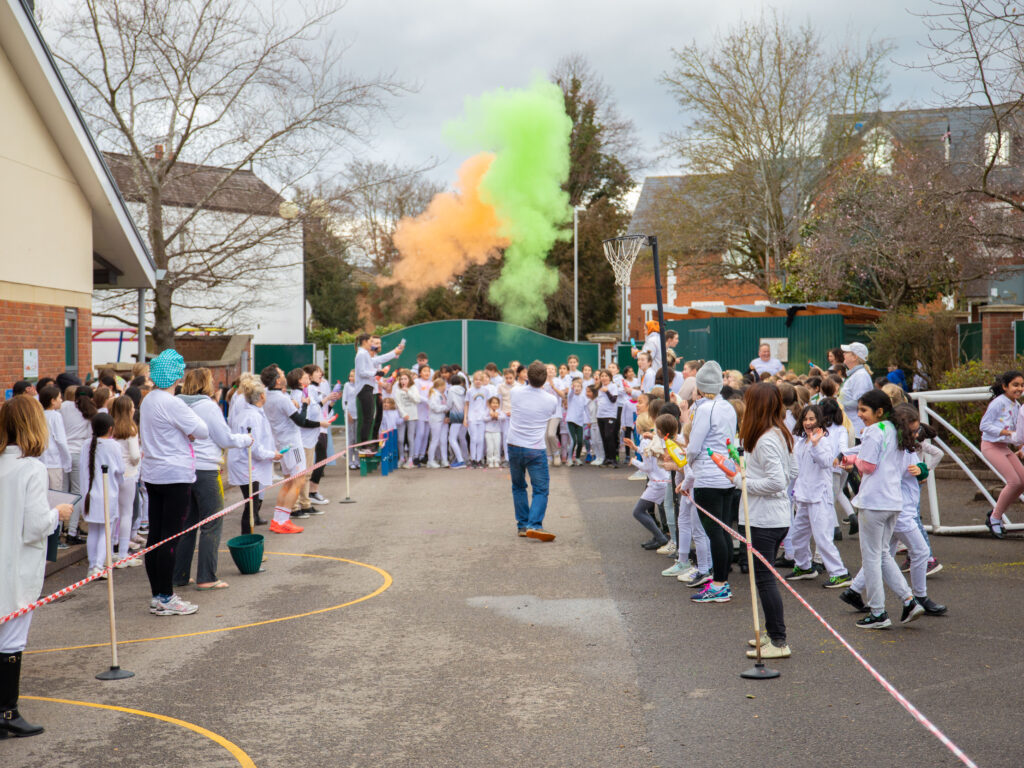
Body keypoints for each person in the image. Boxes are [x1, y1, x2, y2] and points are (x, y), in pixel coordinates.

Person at [0, 396, 74, 737]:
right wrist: (56, 515)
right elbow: (33, 525)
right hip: (15, 567)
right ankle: (7, 711)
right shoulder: (32, 469)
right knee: (12, 639)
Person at [839, 389, 924, 629]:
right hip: (893, 501)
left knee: (872, 557)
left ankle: (878, 612)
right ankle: (909, 601)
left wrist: (848, 460)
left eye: (864, 410)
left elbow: (867, 466)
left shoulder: (875, 431)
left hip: (873, 501)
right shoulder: (896, 429)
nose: (860, 415)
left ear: (878, 411)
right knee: (883, 554)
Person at [141, 350, 209, 616]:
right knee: (170, 538)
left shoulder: (148, 400)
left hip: (154, 473)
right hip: (175, 475)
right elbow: (202, 430)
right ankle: (166, 597)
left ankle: (158, 593)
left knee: (156, 536)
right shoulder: (173, 403)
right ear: (176, 375)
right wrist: (187, 432)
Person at [174, 368, 252, 590]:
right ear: (205, 384)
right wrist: (246, 439)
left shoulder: (177, 403)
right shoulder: (208, 406)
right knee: (212, 522)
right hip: (206, 469)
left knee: (187, 524)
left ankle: (179, 575)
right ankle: (207, 576)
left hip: (184, 469)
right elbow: (224, 438)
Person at [736, 383, 795, 659]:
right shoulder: (776, 433)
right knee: (764, 579)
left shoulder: (768, 438)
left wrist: (742, 481)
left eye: (748, 402)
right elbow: (791, 470)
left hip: (765, 519)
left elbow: (778, 480)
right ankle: (772, 633)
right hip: (771, 516)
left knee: (765, 580)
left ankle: (779, 640)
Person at [685, 361, 738, 604]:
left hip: (708, 475)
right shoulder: (728, 406)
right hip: (726, 473)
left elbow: (694, 446)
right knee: (724, 529)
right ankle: (722, 580)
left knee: (714, 531)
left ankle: (719, 584)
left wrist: (689, 463)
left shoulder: (705, 409)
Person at [786, 404, 852, 589]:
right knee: (798, 536)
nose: (808, 422)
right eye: (805, 419)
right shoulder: (800, 441)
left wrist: (815, 444)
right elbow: (796, 468)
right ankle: (804, 567)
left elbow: (826, 463)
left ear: (819, 421)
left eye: (812, 419)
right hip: (804, 496)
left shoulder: (823, 441)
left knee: (822, 538)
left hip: (820, 495)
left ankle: (840, 573)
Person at [260, 365, 327, 532]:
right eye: (282, 374)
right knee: (298, 480)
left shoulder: (268, 395)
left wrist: (294, 404)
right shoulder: (282, 399)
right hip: (292, 442)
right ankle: (283, 521)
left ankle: (278, 520)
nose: (284, 375)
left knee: (289, 481)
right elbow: (300, 421)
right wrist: (303, 404)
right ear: (277, 380)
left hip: (281, 441)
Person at [507, 361, 558, 541]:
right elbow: (551, 414)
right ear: (545, 379)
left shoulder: (515, 392)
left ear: (527, 376)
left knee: (518, 486)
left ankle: (522, 525)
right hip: (535, 448)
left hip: (514, 445)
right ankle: (534, 524)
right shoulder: (551, 400)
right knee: (541, 489)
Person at [227, 378, 279, 534]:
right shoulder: (253, 417)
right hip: (246, 464)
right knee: (251, 507)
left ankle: (248, 541)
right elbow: (255, 447)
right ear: (261, 396)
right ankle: (247, 544)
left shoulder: (250, 413)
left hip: (246, 462)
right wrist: (273, 455)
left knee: (252, 505)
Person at [979, 370, 1024, 539]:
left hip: (1004, 447)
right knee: (1013, 481)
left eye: (1021, 385)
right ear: (1005, 386)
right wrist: (1004, 431)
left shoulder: (1018, 405)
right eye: (1015, 385)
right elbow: (984, 425)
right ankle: (995, 518)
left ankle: (996, 512)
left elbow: (1019, 431)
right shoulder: (999, 402)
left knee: (1022, 481)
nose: (1019, 388)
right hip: (991, 445)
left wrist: (1020, 446)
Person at [79, 412, 123, 579]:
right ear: (111, 428)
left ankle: (92, 565)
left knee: (94, 531)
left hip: (89, 495)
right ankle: (98, 565)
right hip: (107, 494)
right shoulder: (113, 446)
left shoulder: (85, 444)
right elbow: (120, 470)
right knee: (106, 531)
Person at [623, 413, 671, 550]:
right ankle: (658, 536)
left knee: (638, 511)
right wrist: (636, 448)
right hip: (661, 479)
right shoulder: (653, 438)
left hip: (657, 482)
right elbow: (650, 457)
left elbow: (647, 467)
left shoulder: (645, 440)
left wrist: (634, 461)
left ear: (639, 426)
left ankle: (660, 537)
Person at [60, 385, 96, 545]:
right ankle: (72, 531)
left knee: (62, 492)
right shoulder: (90, 412)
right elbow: (90, 436)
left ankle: (59, 529)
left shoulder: (65, 406)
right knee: (76, 493)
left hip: (63, 454)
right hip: (78, 454)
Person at [110, 395, 142, 565]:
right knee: (126, 514)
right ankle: (123, 553)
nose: (134, 409)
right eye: (132, 407)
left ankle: (110, 552)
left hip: (113, 474)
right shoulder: (131, 428)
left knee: (114, 514)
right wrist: (137, 460)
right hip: (129, 473)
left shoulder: (111, 428)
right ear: (128, 410)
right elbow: (135, 455)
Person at [38, 386, 71, 493]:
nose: (61, 400)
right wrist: (67, 461)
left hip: (40, 460)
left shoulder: (38, 415)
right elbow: (61, 440)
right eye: (59, 398)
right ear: (52, 401)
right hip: (54, 461)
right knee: (55, 494)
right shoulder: (56, 416)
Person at [839, 342, 873, 436]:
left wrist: (838, 405)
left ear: (855, 357)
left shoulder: (860, 376)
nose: (843, 354)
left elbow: (861, 402)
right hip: (851, 427)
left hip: (857, 429)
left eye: (847, 352)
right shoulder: (856, 374)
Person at [565, 378, 587, 466]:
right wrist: (571, 389)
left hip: (580, 422)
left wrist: (588, 420)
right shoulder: (571, 396)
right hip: (570, 421)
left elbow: (586, 410)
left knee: (580, 441)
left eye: (579, 386)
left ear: (581, 388)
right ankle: (569, 459)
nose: (577, 388)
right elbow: (570, 394)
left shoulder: (583, 397)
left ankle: (577, 458)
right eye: (575, 386)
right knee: (573, 441)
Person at [484, 395, 505, 468]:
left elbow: (503, 417)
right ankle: (490, 461)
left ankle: (497, 460)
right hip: (488, 431)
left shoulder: (499, 411)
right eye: (493, 403)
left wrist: (497, 416)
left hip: (497, 432)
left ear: (499, 404)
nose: (495, 404)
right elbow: (484, 418)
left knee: (497, 447)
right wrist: (491, 417)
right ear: (489, 404)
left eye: (496, 403)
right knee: (490, 447)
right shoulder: (487, 411)